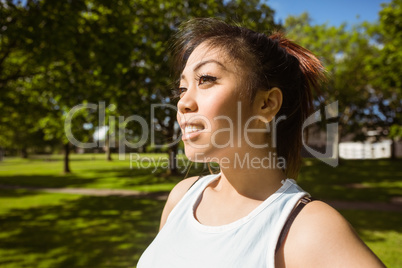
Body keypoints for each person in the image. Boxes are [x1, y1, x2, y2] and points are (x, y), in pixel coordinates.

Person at [137, 18, 385, 268]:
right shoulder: (183, 196)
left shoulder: (307, 228)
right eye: (182, 88)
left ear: (266, 105)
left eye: (206, 79)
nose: (183, 102)